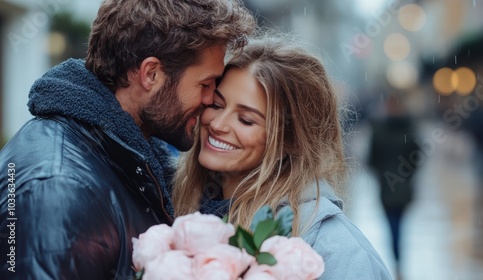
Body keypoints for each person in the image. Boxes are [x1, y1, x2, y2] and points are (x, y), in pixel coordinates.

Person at [0, 0, 255, 278]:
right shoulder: (58, 189)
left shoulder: (127, 157)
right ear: (151, 74)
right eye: (205, 84)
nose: (209, 100)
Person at [173, 36, 392, 279]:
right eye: (216, 105)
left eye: (246, 120)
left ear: (290, 141)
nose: (218, 124)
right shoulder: (174, 205)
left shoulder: (338, 252)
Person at [367, 94, 419, 279]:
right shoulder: (410, 129)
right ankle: (399, 261)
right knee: (400, 224)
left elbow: (371, 161)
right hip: (404, 187)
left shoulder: (379, 130)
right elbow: (416, 159)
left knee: (392, 225)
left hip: (387, 186)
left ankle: (396, 260)